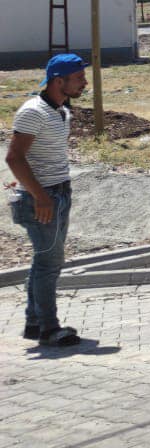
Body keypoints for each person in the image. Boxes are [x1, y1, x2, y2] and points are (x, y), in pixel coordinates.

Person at [6, 53, 89, 347]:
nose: (84, 83)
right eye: (78, 78)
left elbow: (34, 156)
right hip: (42, 198)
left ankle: (35, 323)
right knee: (49, 263)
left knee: (45, 260)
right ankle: (49, 328)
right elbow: (14, 157)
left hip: (58, 193)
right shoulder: (33, 112)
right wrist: (39, 195)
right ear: (58, 81)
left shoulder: (60, 110)